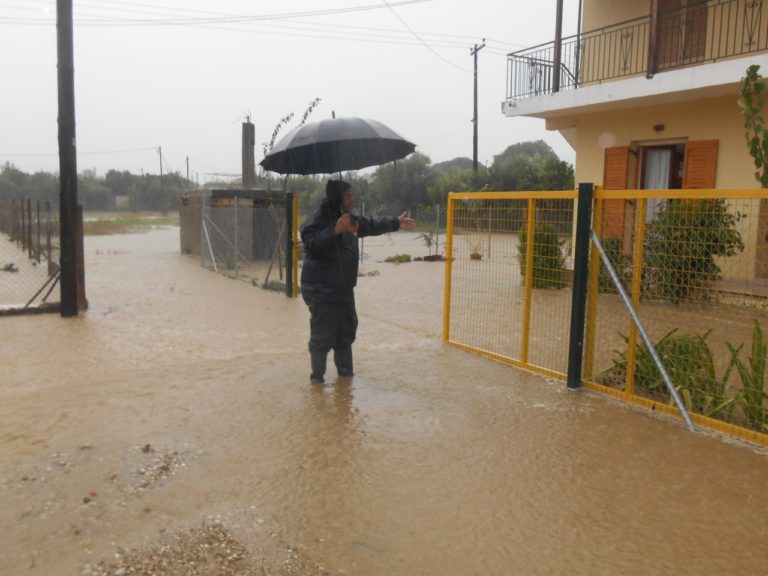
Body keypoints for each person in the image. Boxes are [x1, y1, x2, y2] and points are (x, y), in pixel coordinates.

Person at [300, 179, 416, 384]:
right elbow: (310, 245)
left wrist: (395, 222)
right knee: (321, 337)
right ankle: (317, 383)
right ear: (338, 197)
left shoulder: (348, 218)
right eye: (348, 195)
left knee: (345, 333)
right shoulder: (316, 221)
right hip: (321, 291)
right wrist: (335, 230)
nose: (352, 199)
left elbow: (370, 224)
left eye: (351, 194)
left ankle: (346, 381)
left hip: (344, 289)